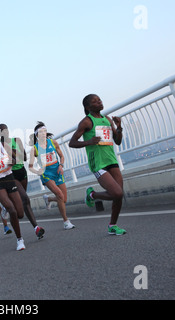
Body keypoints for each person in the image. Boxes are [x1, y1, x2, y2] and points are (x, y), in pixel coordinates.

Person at [69, 94, 126, 235]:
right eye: (95, 101)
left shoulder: (107, 119)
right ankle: (92, 195)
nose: (99, 102)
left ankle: (113, 225)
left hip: (111, 160)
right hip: (98, 163)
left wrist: (119, 127)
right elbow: (72, 142)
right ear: (88, 107)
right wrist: (88, 142)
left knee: (119, 195)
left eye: (99, 99)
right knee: (116, 193)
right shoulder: (87, 122)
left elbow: (117, 141)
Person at [0, 123, 45, 239]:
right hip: (11, 175)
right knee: (25, 199)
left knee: (24, 200)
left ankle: (35, 227)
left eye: (6, 129)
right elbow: (5, 162)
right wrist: (12, 153)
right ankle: (35, 227)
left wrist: (13, 151)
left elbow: (23, 157)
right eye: (2, 130)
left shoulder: (16, 140)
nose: (5, 132)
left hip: (22, 172)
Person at [28, 122, 75, 230]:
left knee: (64, 199)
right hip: (46, 175)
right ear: (37, 135)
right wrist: (37, 172)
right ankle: (66, 222)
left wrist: (61, 165)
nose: (43, 134)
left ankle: (48, 199)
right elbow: (30, 166)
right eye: (40, 132)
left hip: (57, 172)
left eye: (45, 131)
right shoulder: (34, 149)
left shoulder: (53, 143)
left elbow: (62, 156)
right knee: (59, 195)